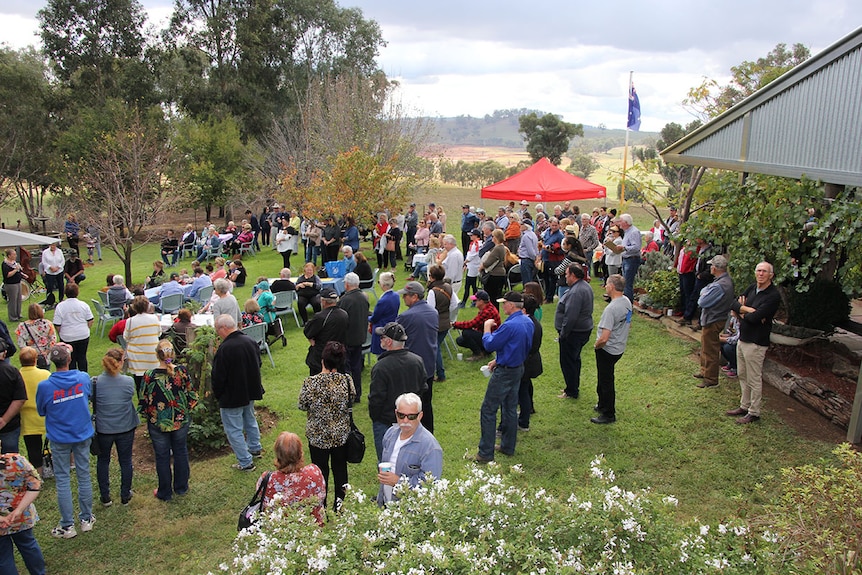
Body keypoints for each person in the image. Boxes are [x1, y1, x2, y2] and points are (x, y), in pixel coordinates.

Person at [36, 344, 95, 538]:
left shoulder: (45, 386)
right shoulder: (82, 378)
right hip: (81, 433)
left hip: (60, 437)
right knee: (83, 474)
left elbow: (42, 410)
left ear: (52, 362)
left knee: (62, 478)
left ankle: (68, 526)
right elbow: (88, 396)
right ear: (69, 359)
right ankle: (86, 519)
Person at [474, 292, 533, 463]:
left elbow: (489, 343)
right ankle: (508, 446)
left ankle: (485, 453)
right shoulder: (527, 321)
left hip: (505, 372)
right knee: (509, 407)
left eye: (505, 303)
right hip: (517, 368)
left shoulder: (510, 325)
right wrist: (499, 359)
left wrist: (486, 328)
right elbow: (520, 346)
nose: (503, 306)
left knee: (488, 409)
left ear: (512, 305)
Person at [298, 341, 354, 511]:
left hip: (318, 436)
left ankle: (320, 507)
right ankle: (339, 505)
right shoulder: (346, 380)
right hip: (340, 435)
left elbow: (302, 405)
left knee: (320, 473)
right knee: (340, 471)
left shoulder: (310, 383)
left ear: (323, 360)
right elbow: (351, 398)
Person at [139, 340, 198, 500]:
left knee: (162, 456)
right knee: (180, 452)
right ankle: (181, 487)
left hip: (158, 421)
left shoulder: (149, 376)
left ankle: (165, 492)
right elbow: (192, 395)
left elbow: (143, 400)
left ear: (157, 355)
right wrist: (186, 410)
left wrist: (148, 415)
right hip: (180, 420)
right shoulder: (182, 372)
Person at [726, 261, 781, 424]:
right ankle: (744, 405)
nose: (761, 274)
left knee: (754, 378)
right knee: (742, 374)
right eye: (759, 271)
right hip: (743, 338)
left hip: (756, 342)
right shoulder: (752, 288)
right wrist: (748, 310)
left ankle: (754, 412)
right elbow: (733, 304)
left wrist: (742, 311)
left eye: (765, 271)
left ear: (771, 275)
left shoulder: (773, 295)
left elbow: (755, 318)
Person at [368, 322, 428, 460]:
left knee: (386, 464)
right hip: (412, 421)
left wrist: (376, 418)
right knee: (410, 460)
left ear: (388, 342)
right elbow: (423, 389)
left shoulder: (381, 367)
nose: (380, 340)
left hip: (385, 423)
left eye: (382, 337)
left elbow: (376, 398)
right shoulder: (417, 361)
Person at [212, 314, 264, 471]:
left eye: (217, 330)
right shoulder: (250, 341)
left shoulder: (225, 349)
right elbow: (259, 363)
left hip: (232, 396)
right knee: (250, 419)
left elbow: (218, 377)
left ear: (224, 328)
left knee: (234, 429)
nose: (217, 334)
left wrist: (218, 394)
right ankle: (255, 448)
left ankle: (245, 461)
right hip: (250, 391)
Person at [376, 392, 442, 506]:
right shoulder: (390, 435)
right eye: (401, 415)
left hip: (411, 511)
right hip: (386, 505)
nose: (405, 421)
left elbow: (430, 485)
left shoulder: (430, 447)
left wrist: (398, 482)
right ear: (396, 413)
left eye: (411, 417)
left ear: (420, 416)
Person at [93, 348, 138, 507]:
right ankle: (125, 494)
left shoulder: (95, 382)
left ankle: (105, 497)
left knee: (103, 461)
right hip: (125, 427)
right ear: (120, 363)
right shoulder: (128, 382)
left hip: (104, 429)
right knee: (125, 461)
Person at [257, 432, 326, 525]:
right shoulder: (314, 472)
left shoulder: (267, 479)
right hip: (311, 528)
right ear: (300, 453)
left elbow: (261, 499)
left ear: (278, 455)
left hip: (279, 529)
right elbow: (321, 497)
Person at [396, 281, 438, 433]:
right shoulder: (433, 312)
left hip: (412, 368)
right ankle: (428, 434)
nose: (403, 299)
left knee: (410, 404)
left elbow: (395, 338)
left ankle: (411, 433)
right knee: (426, 403)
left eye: (406, 296)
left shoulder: (405, 317)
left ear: (414, 297)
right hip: (429, 364)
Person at [591, 274, 633, 424]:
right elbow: (628, 322)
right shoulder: (627, 301)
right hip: (619, 347)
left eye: (607, 284)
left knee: (606, 381)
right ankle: (602, 404)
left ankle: (609, 414)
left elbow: (604, 337)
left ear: (612, 287)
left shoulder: (611, 309)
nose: (605, 286)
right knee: (603, 378)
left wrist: (597, 345)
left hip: (608, 350)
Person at [694, 255, 735, 389]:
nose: (710, 267)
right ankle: (704, 371)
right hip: (716, 318)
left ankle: (710, 378)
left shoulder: (719, 285)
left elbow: (702, 301)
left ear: (715, 268)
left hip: (714, 319)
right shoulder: (724, 281)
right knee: (706, 346)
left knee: (710, 349)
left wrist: (704, 292)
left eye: (711, 265)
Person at [0, 452, 46, 574]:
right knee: (28, 545)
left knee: (3, 558)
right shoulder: (16, 461)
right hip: (21, 517)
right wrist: (19, 510)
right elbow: (35, 485)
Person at [555, 264, 594, 400]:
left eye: (566, 274)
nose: (565, 277)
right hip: (580, 330)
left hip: (574, 333)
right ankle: (572, 386)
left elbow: (570, 316)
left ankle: (571, 390)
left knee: (568, 362)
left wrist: (563, 334)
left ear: (573, 275)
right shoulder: (584, 286)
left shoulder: (576, 291)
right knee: (574, 360)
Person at [17, 347, 50, 477]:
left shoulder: (17, 375)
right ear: (36, 360)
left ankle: (38, 474)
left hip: (27, 419)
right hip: (46, 417)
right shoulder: (45, 375)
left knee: (33, 449)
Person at [338, 273, 369, 399]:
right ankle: (357, 393)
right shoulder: (363, 297)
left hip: (347, 338)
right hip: (360, 337)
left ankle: (348, 393)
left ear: (346, 284)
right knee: (356, 367)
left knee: (346, 368)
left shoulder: (345, 300)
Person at [303, 289, 349, 377]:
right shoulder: (344, 314)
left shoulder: (320, 317)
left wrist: (312, 340)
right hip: (339, 354)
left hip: (322, 357)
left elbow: (308, 332)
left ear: (323, 301)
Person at [52, 283, 94, 373]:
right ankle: (84, 376)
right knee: (82, 357)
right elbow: (90, 320)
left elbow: (57, 324)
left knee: (70, 359)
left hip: (67, 336)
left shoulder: (60, 306)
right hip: (82, 335)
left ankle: (72, 377)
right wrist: (86, 329)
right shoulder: (84, 305)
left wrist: (62, 333)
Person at [123, 296, 161, 392]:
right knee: (153, 382)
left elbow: (126, 337)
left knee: (139, 383)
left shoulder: (130, 321)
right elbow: (159, 332)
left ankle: (142, 401)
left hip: (137, 357)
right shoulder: (154, 318)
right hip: (152, 354)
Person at [518, 294, 543, 432]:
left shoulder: (528, 324)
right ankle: (528, 409)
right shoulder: (534, 321)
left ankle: (523, 421)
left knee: (522, 391)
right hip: (531, 360)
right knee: (526, 387)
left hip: (527, 361)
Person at [452, 290, 500, 361]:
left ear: (481, 301)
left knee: (466, 332)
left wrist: (454, 324)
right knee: (460, 340)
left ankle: (478, 353)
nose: (474, 302)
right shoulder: (487, 307)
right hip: (488, 336)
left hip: (491, 339)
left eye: (476, 300)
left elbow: (472, 324)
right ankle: (484, 351)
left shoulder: (487, 311)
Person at [0, 343, 26, 455]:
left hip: (9, 425)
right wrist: (4, 420)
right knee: (10, 461)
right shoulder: (12, 371)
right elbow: (20, 399)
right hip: (9, 425)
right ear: (5, 353)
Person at [16, 304, 56, 369]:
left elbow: (20, 344)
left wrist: (27, 350)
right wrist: (47, 352)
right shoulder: (48, 324)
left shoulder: (22, 326)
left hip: (29, 357)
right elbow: (53, 340)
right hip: (44, 357)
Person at [368, 272, 399, 356]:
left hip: (381, 329)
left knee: (381, 355)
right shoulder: (396, 296)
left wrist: (367, 317)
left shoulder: (383, 301)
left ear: (383, 284)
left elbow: (375, 318)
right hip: (392, 327)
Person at [479, 229, 507, 307]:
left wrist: (481, 267)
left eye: (493, 236)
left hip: (494, 274)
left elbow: (488, 262)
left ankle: (492, 314)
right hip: (501, 273)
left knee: (491, 297)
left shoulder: (497, 248)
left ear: (496, 237)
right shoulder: (503, 247)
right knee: (496, 297)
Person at [618, 214, 642, 303]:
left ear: (626, 222)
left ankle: (628, 306)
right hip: (626, 259)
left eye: (620, 221)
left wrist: (624, 248)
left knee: (628, 284)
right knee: (625, 283)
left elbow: (636, 247)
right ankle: (626, 304)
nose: (619, 223)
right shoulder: (627, 231)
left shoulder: (634, 232)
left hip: (632, 259)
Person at [540, 218, 565, 303]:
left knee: (552, 279)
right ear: (549, 224)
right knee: (545, 278)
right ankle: (546, 295)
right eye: (552, 225)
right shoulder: (547, 232)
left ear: (559, 225)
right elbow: (543, 240)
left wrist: (553, 250)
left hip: (553, 259)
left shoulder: (560, 236)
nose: (554, 227)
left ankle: (550, 297)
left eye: (556, 225)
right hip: (545, 258)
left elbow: (563, 250)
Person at [40, 242, 65, 308]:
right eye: (51, 245)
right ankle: (49, 301)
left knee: (61, 285)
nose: (53, 246)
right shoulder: (45, 252)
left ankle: (61, 299)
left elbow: (62, 261)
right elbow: (44, 262)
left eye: (54, 245)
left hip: (59, 271)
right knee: (49, 286)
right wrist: (50, 267)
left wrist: (58, 267)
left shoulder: (59, 251)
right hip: (50, 272)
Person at [3, 248, 24, 322]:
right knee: (13, 300)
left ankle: (18, 314)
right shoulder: (5, 264)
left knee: (19, 299)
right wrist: (15, 269)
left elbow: (18, 271)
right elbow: (7, 275)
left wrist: (22, 274)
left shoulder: (14, 262)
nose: (15, 255)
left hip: (18, 282)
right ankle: (12, 317)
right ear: (9, 256)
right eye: (14, 254)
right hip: (11, 284)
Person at [462, 228, 482, 304]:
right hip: (471, 266)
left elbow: (472, 256)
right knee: (473, 285)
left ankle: (465, 301)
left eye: (472, 235)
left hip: (473, 267)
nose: (470, 237)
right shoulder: (474, 243)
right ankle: (474, 300)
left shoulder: (476, 244)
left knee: (468, 285)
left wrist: (464, 262)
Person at [517, 220, 539, 286]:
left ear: (526, 226)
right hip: (531, 259)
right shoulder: (533, 234)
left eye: (521, 224)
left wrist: (534, 258)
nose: (520, 226)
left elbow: (530, 250)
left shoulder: (526, 236)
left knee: (527, 281)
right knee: (530, 280)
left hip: (526, 260)